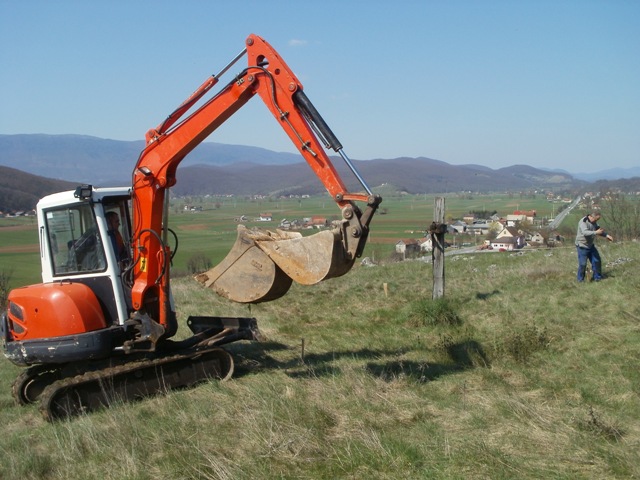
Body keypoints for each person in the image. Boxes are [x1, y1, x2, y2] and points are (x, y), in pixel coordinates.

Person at [575, 211, 613, 282]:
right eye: (596, 219)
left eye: (597, 220)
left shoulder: (594, 223)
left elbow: (599, 230)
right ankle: (580, 280)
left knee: (596, 261)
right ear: (591, 216)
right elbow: (585, 232)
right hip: (582, 246)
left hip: (590, 245)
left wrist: (607, 235)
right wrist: (596, 232)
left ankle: (597, 278)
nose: (596, 221)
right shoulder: (583, 222)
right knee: (583, 264)